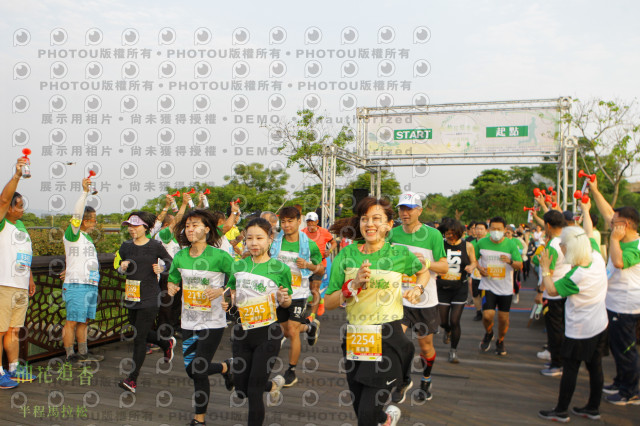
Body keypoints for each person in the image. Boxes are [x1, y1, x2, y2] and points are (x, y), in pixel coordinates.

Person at [325, 197, 426, 426]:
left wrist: (418, 288)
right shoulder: (346, 255)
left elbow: (423, 272)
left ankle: (393, 394)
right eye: (364, 219)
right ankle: (387, 418)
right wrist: (352, 287)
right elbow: (329, 302)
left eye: (377, 219)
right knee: (362, 408)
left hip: (387, 337)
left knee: (366, 416)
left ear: (390, 225)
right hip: (356, 336)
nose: (370, 224)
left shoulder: (399, 254)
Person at [538, 200, 609, 422]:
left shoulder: (577, 276)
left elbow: (551, 290)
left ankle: (561, 411)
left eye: (564, 246)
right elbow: (588, 231)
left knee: (570, 371)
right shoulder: (595, 257)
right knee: (595, 368)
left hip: (580, 331)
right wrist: (586, 211)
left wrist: (545, 269)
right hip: (600, 325)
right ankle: (593, 408)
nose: (561, 248)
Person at [167, 210, 235, 426]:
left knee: (198, 368)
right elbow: (173, 276)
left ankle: (199, 420)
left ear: (207, 229)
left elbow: (236, 279)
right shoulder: (180, 256)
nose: (190, 229)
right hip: (188, 321)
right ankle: (226, 368)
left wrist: (222, 289)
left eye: (195, 225)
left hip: (212, 322)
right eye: (187, 226)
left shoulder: (220, 256)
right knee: (192, 370)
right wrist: (171, 285)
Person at [227, 217, 293, 426]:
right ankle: (272, 386)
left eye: (259, 238)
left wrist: (284, 299)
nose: (254, 243)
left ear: (270, 239)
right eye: (249, 238)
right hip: (242, 332)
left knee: (254, 392)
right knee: (241, 389)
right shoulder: (238, 265)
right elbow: (232, 292)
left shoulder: (280, 269)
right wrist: (226, 300)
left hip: (267, 334)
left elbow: (287, 301)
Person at [387, 192, 448, 403]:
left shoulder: (433, 235)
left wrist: (427, 264)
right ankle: (403, 380)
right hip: (399, 299)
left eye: (410, 208)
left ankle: (426, 378)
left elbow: (444, 267)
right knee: (395, 342)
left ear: (419, 211)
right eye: (402, 208)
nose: (405, 212)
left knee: (425, 347)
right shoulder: (392, 234)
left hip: (425, 300)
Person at [588, 177, 640, 405]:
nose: (610, 223)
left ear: (625, 225)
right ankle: (620, 381)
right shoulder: (622, 233)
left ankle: (631, 391)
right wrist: (595, 190)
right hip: (614, 303)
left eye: (615, 223)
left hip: (626, 306)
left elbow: (618, 262)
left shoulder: (635, 246)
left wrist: (616, 240)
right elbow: (609, 212)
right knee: (618, 348)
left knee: (626, 349)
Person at [115, 211, 175, 393]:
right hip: (132, 296)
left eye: (135, 226)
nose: (132, 230)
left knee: (139, 338)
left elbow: (170, 262)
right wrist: (122, 268)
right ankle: (166, 343)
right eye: (129, 227)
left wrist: (162, 267)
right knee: (138, 332)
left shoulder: (155, 245)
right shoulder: (125, 247)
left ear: (146, 227)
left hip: (150, 297)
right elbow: (118, 269)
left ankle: (132, 379)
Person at [271, 206, 322, 387]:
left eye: (290, 221)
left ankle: (291, 371)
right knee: (285, 330)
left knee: (292, 331)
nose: (286, 225)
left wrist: (308, 265)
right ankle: (309, 327)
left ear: (298, 221)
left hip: (299, 293)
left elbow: (321, 269)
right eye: (283, 221)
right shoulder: (275, 242)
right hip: (280, 293)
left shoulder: (309, 244)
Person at [0, 157, 36, 389]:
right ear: (9, 207)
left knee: (14, 330)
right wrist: (17, 175)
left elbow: (26, 256)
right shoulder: (2, 223)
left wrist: (30, 280)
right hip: (3, 284)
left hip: (20, 286)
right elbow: (3, 198)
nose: (22, 209)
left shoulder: (22, 227)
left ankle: (13, 369)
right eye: (19, 205)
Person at [61, 177, 104, 367]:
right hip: (76, 284)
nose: (95, 222)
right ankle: (70, 355)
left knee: (84, 320)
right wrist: (84, 193)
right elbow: (76, 214)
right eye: (93, 219)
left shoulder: (86, 238)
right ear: (84, 221)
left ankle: (83, 353)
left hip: (89, 284)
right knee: (72, 320)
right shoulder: (73, 234)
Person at [476, 217, 523, 356]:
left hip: (505, 288)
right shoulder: (482, 242)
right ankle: (489, 333)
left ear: (504, 230)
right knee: (487, 315)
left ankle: (500, 340)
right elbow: (472, 258)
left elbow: (519, 265)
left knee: (503, 318)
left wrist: (510, 261)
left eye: (499, 229)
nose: (496, 231)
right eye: (493, 229)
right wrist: (479, 268)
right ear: (489, 229)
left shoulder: (511, 245)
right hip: (487, 285)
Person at [532, 210, 569, 376]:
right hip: (566, 290)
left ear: (547, 226)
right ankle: (559, 360)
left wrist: (540, 292)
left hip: (553, 294)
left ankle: (556, 364)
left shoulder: (553, 245)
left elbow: (549, 271)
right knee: (562, 329)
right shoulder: (567, 240)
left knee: (555, 330)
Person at [437, 219, 477, 363]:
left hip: (460, 287)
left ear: (460, 233)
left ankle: (453, 351)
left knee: (455, 320)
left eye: (453, 234)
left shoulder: (468, 246)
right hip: (442, 287)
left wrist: (471, 267)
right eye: (447, 234)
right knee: (442, 321)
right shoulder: (440, 244)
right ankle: (446, 330)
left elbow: (474, 261)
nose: (450, 236)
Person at [302, 211, 337, 320]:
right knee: (308, 288)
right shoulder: (302, 232)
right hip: (307, 264)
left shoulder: (324, 232)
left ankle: (312, 315)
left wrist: (329, 250)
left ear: (317, 222)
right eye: (308, 222)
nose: (310, 224)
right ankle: (320, 301)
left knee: (315, 289)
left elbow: (334, 242)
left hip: (320, 264)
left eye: (312, 222)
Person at [470, 221, 488, 321]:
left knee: (485, 294)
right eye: (477, 228)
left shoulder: (489, 243)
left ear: (486, 231)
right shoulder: (471, 243)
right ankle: (478, 312)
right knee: (475, 294)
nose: (479, 231)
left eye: (482, 229)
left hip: (487, 274)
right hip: (475, 274)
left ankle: (486, 311)